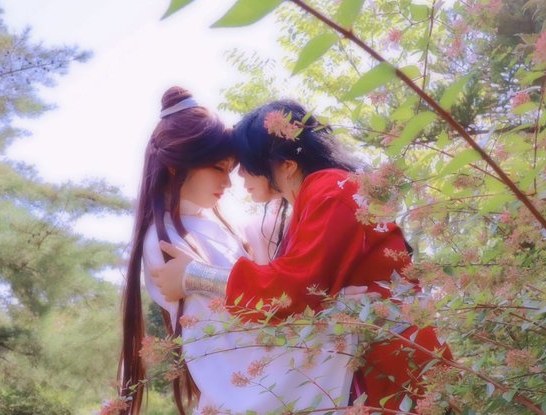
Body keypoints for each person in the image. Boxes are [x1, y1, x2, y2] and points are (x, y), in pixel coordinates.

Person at [153, 99, 453, 410]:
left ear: (286, 165)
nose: (238, 178)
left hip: (398, 360)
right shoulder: (321, 195)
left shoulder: (332, 193)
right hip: (390, 357)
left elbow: (292, 290)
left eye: (247, 165)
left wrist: (195, 275)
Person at [119, 88, 355, 415]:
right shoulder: (164, 241)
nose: (229, 183)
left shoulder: (220, 225)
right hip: (246, 382)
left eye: (231, 170)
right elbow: (229, 334)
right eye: (219, 168)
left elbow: (285, 274)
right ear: (175, 167)